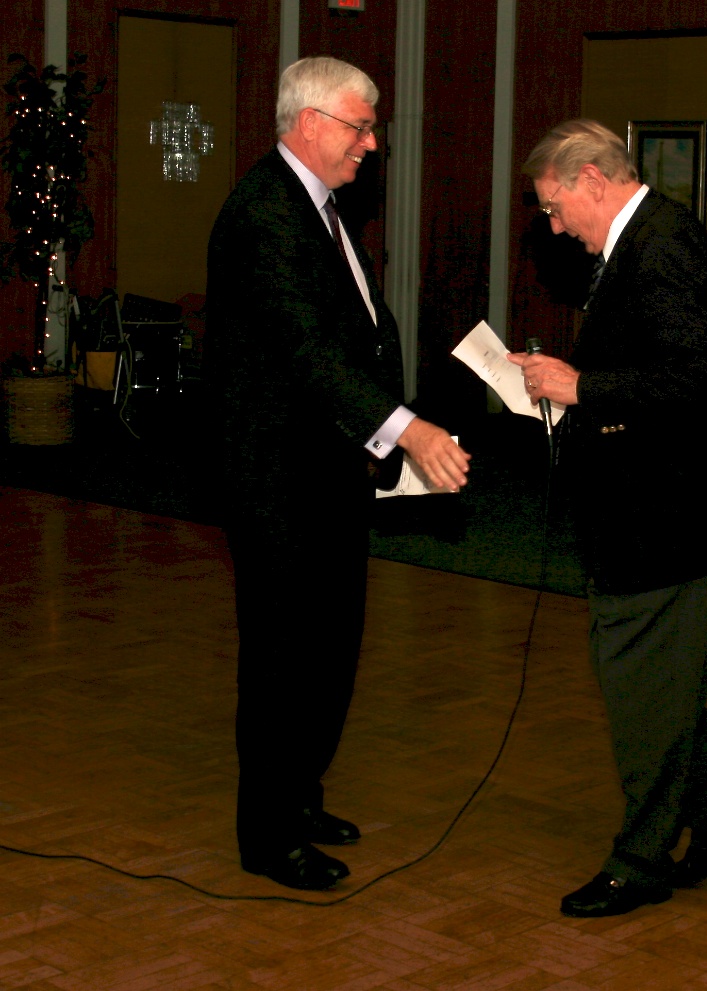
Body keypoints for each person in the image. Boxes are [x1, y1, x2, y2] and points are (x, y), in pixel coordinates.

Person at [205, 56, 471, 891]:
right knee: (285, 656)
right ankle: (267, 833)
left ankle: (300, 795)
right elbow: (307, 355)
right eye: (360, 126)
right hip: (279, 479)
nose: (371, 142)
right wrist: (407, 428)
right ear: (311, 122)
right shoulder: (263, 213)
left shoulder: (317, 207)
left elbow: (359, 336)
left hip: (329, 473)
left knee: (329, 649)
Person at [507, 119, 707, 918]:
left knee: (640, 688)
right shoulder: (647, 238)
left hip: (676, 518)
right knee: (664, 685)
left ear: (590, 178)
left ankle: (642, 858)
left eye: (555, 207)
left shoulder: (662, 246)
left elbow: (694, 377)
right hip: (669, 511)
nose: (554, 226)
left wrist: (580, 388)